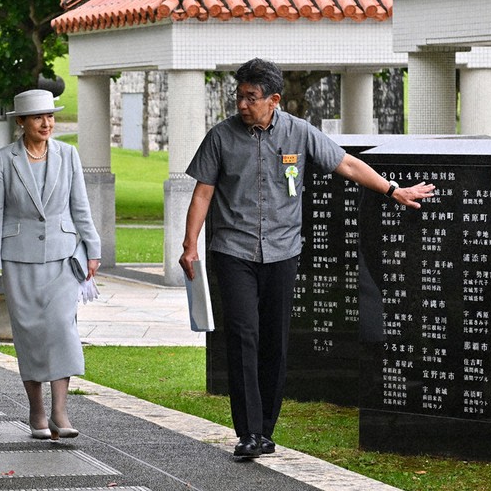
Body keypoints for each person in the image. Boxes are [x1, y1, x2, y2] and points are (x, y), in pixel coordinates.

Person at [179, 58, 435, 459]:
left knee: (275, 340)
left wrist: (392, 190)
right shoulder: (220, 137)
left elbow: (345, 163)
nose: (242, 104)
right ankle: (248, 432)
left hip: (283, 252)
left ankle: (265, 430)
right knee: (243, 336)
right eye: (239, 96)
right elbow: (203, 192)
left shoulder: (299, 132)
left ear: (273, 100)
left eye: (251, 97)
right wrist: (190, 244)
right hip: (233, 251)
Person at [0, 89, 100, 440]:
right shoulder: (3, 159)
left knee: (62, 329)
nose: (47, 123)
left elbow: (80, 205)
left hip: (63, 256)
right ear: (21, 121)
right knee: (30, 335)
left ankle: (60, 412)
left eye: (50, 116)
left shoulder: (68, 154)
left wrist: (93, 248)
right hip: (18, 259)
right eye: (38, 117)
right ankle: (36, 409)